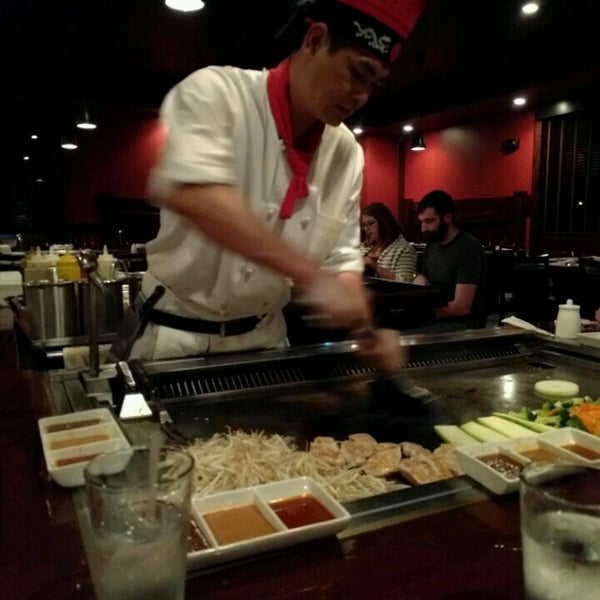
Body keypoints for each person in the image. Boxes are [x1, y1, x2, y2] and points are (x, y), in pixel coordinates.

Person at [127, 0, 429, 373]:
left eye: (374, 84)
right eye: (357, 72)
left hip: (266, 343)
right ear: (315, 40)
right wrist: (311, 277)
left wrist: (363, 323)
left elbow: (341, 258)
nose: (362, 96)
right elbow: (194, 192)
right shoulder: (218, 93)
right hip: (174, 339)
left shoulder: (345, 152)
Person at [412, 190, 487, 330]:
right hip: (434, 315)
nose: (423, 229)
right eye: (421, 222)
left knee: (398, 335)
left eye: (429, 221)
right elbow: (424, 280)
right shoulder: (432, 245)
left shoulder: (469, 248)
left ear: (447, 217)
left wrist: (423, 312)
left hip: (461, 325)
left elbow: (461, 308)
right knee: (382, 323)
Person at [360, 202, 417, 282]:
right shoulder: (364, 246)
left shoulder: (404, 249)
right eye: (364, 225)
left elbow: (405, 283)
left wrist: (374, 265)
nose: (366, 229)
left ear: (384, 223)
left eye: (370, 223)